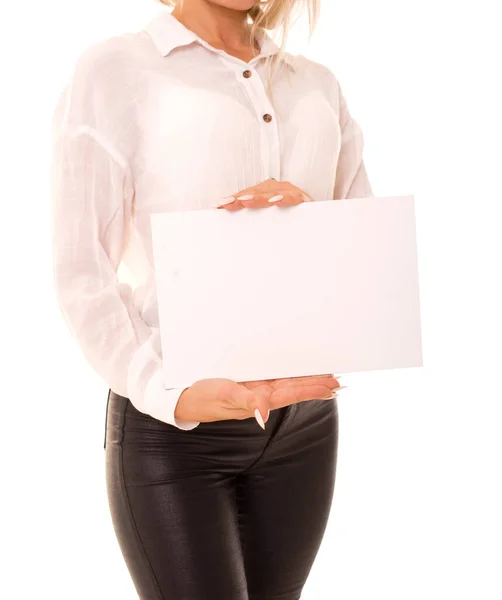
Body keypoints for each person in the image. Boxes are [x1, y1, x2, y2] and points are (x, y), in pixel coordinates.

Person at [50, 0, 373, 598]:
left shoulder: (317, 87)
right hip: (175, 430)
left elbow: (364, 259)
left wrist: (307, 216)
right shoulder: (117, 70)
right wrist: (170, 392)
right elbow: (81, 270)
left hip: (304, 426)